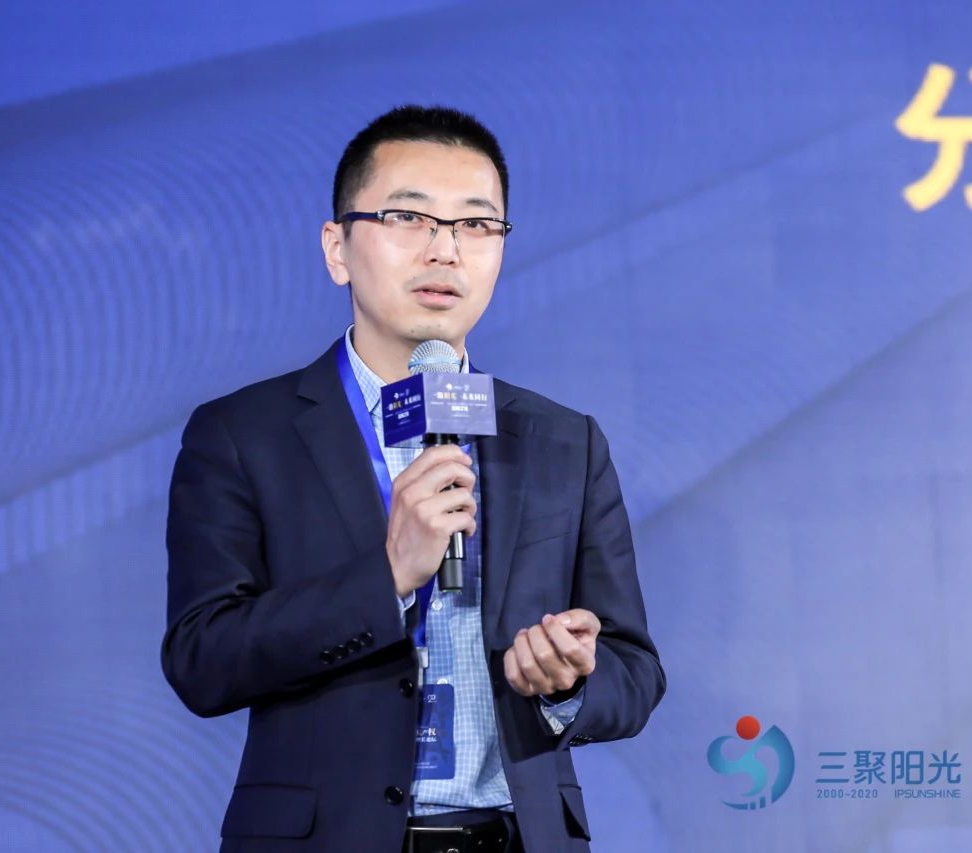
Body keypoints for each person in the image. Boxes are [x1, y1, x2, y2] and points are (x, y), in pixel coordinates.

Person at [162, 105, 665, 852]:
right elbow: (202, 661)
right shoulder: (243, 434)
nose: (445, 250)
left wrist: (568, 682)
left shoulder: (564, 440)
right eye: (408, 217)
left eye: (476, 224)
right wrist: (389, 575)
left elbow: (634, 671)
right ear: (337, 247)